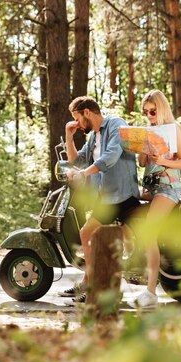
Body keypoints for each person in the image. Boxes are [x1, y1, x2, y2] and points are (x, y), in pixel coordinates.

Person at [60, 96, 140, 305]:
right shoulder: (93, 137)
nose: (77, 123)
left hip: (120, 196)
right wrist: (69, 137)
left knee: (88, 234)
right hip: (106, 198)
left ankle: (94, 286)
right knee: (100, 238)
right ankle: (90, 283)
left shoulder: (116, 125)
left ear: (87, 112)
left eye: (77, 118)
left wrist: (83, 174)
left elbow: (111, 157)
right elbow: (76, 161)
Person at [130, 89, 181, 309]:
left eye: (152, 111)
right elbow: (143, 164)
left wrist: (163, 162)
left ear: (161, 108)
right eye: (145, 112)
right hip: (150, 188)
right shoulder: (148, 130)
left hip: (168, 187)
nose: (148, 115)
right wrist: (144, 152)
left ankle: (151, 292)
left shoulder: (173, 129)